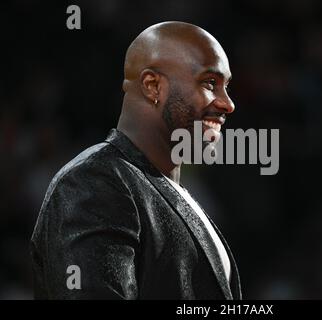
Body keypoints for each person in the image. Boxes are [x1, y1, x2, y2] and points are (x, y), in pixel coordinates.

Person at [30, 21, 241, 300]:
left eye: (225, 86)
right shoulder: (93, 183)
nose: (228, 103)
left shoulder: (165, 189)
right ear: (153, 86)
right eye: (209, 83)